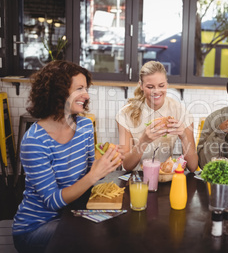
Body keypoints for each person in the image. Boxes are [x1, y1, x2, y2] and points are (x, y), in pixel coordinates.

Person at [12, 61, 123, 253]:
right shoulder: (35, 141)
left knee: (117, 229)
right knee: (95, 239)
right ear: (58, 92)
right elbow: (53, 201)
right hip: (36, 228)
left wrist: (106, 163)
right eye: (79, 89)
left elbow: (89, 174)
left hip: (71, 215)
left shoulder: (85, 126)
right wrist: (94, 175)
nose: (86, 95)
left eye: (86, 89)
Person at [116, 61, 198, 172]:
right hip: (137, 178)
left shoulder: (181, 112)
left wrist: (183, 137)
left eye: (161, 85)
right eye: (150, 87)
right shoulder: (125, 114)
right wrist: (143, 142)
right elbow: (126, 165)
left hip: (167, 176)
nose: (157, 91)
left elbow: (193, 167)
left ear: (167, 84)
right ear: (141, 86)